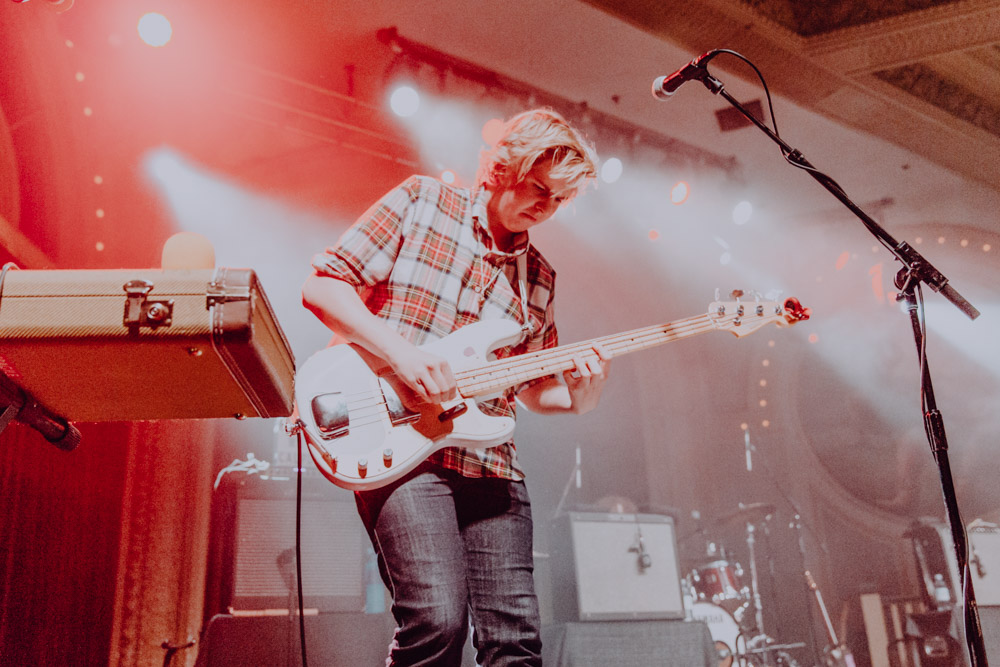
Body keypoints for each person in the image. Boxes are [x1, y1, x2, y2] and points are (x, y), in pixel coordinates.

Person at [301, 108, 610, 666]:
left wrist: (579, 399)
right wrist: (402, 355)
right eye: (540, 188)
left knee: (515, 641)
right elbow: (323, 287)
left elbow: (534, 387)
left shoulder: (539, 277)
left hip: (491, 464)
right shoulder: (422, 201)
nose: (546, 206)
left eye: (559, 199)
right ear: (501, 167)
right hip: (400, 448)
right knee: (436, 620)